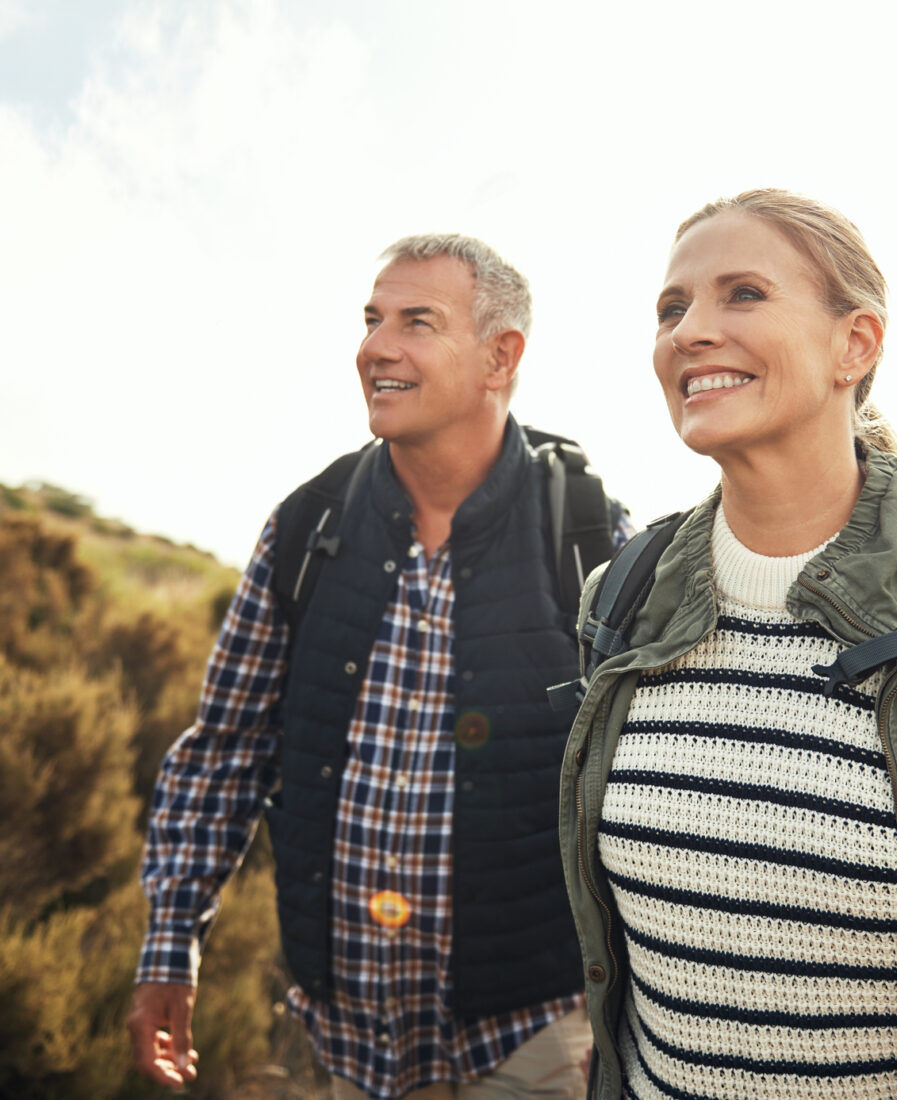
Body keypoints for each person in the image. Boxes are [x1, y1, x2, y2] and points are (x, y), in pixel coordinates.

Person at [560, 189, 897, 1098]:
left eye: (743, 294)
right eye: (672, 307)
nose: (691, 330)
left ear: (856, 345)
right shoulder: (620, 602)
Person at [127, 233, 630, 1099]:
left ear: (499, 357)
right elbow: (224, 753)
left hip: (537, 1038)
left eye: (417, 322)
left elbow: (637, 787)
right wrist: (171, 947)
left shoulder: (589, 533)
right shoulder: (306, 527)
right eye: (371, 319)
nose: (374, 347)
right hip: (347, 1044)